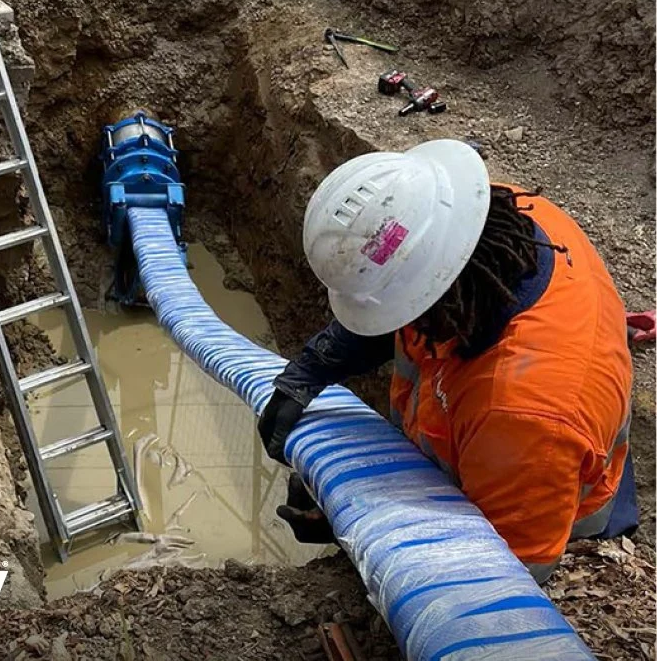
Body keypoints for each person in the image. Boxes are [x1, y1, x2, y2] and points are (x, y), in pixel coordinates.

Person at [258, 139, 638, 583]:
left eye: (390, 308)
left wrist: (356, 522)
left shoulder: (523, 415)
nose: (388, 321)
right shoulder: (479, 220)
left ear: (430, 294)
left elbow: (495, 576)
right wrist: (312, 369)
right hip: (492, 451)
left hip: (548, 522)